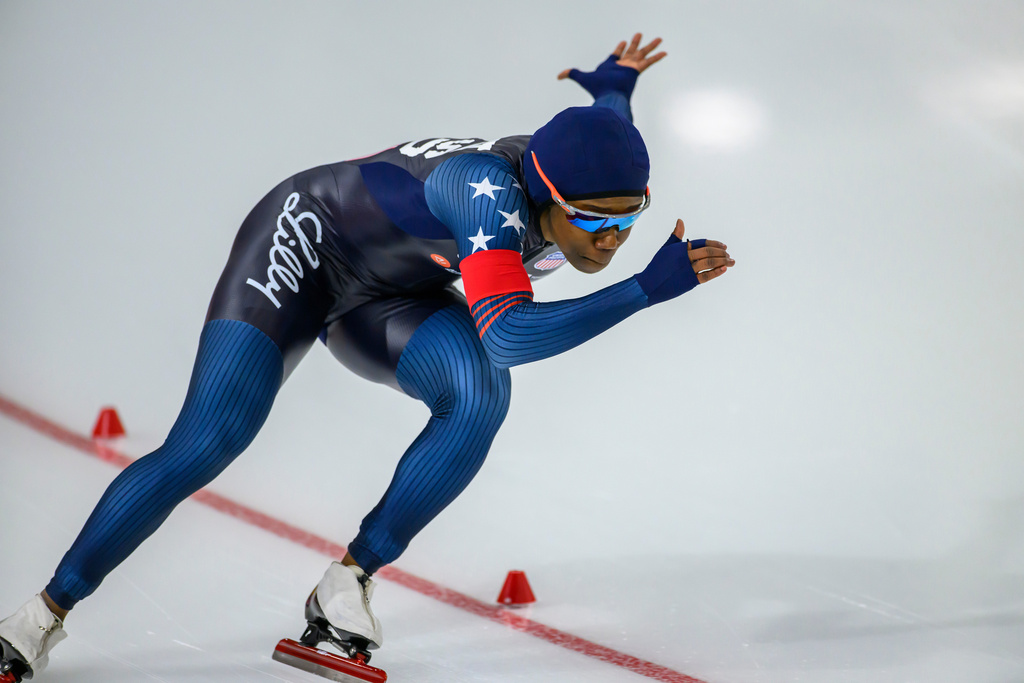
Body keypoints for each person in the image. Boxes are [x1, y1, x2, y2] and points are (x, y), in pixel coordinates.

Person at [0, 34, 734, 681]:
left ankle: (347, 583)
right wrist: (642, 289)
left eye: (630, 219)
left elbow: (609, 125)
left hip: (393, 290)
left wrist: (613, 83)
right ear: (543, 193)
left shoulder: (591, 164)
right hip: (304, 245)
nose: (612, 239)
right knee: (208, 441)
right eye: (594, 221)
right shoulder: (484, 194)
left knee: (480, 397)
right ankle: (38, 616)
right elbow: (508, 332)